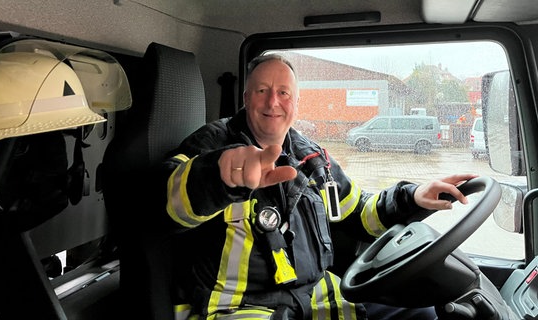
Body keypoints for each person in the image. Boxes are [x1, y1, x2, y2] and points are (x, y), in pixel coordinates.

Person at [159, 53, 475, 320]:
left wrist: (413, 197)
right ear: (246, 98)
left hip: (318, 299)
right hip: (237, 308)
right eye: (261, 91)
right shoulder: (213, 143)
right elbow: (161, 203)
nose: (273, 101)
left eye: (284, 93)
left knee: (424, 314)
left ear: (296, 103)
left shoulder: (311, 155)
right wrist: (219, 177)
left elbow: (359, 213)